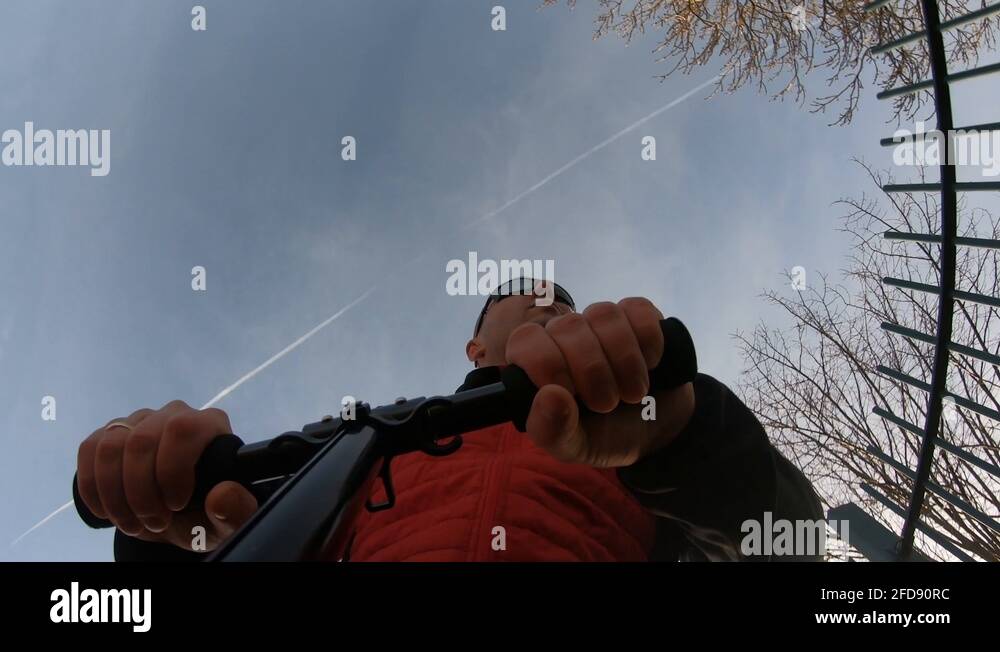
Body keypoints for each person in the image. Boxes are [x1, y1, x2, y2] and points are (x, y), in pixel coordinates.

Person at [76, 278, 823, 561]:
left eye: (561, 299)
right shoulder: (369, 448)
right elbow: (214, 534)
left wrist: (680, 434)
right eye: (526, 294)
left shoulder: (636, 444)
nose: (552, 302)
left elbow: (791, 543)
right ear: (475, 344)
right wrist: (160, 506)